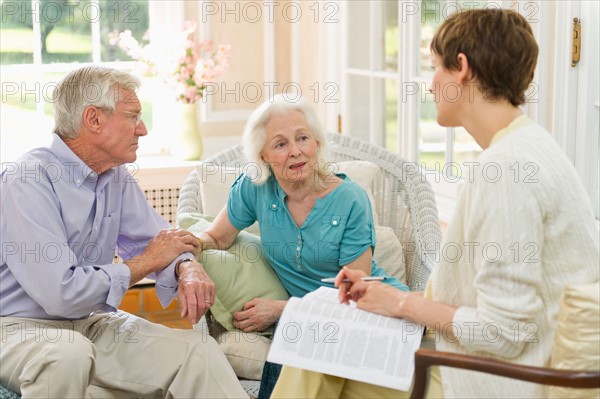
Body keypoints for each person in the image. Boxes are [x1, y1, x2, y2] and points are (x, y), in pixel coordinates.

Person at [270, 8, 600, 399]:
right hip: (497, 363)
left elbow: (506, 332)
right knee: (319, 342)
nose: (430, 86)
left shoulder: (507, 170)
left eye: (435, 69)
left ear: (462, 68)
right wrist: (385, 297)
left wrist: (401, 302)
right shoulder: (531, 145)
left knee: (314, 348)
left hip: (499, 381)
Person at [0, 66, 248, 398]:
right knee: (68, 354)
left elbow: (161, 241)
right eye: (133, 116)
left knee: (196, 351)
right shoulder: (27, 181)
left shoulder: (115, 177)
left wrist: (186, 266)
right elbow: (61, 294)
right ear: (93, 120)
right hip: (17, 329)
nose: (143, 129)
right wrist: (146, 262)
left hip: (91, 325)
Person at [194, 94, 407, 395]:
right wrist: (188, 253)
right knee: (295, 336)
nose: (295, 152)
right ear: (263, 155)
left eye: (303, 138)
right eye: (280, 144)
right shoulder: (255, 188)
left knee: (297, 333)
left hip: (365, 309)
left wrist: (284, 309)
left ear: (317, 143)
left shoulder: (349, 199)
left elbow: (358, 292)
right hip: (305, 319)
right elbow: (215, 237)